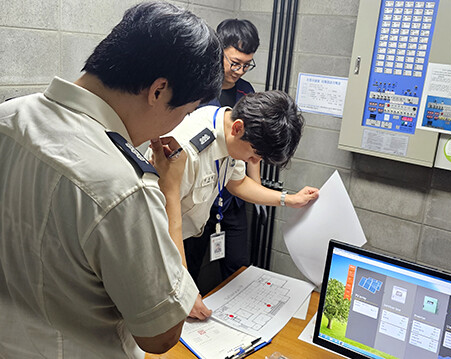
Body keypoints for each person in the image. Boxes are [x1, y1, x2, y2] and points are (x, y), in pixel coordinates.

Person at [0, 2, 223, 358]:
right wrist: (169, 191)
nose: (179, 124)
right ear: (159, 91)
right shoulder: (125, 187)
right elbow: (161, 335)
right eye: (185, 112)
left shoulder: (9, 116)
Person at [149, 90, 320, 320]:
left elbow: (237, 183)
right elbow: (166, 220)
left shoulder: (226, 126)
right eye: (254, 156)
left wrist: (288, 199)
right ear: (238, 128)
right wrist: (184, 291)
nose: (254, 163)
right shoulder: (188, 150)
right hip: (157, 243)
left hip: (182, 234)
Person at [190, 19, 261, 289]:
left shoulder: (247, 93)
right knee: (191, 265)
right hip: (201, 196)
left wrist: (257, 188)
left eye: (246, 64)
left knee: (238, 265)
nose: (239, 70)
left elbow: (253, 148)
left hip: (234, 193)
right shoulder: (199, 89)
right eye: (234, 62)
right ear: (219, 50)